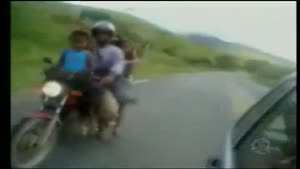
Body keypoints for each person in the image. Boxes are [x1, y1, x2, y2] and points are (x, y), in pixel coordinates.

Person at [91, 20, 135, 135]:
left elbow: (118, 64)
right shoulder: (90, 48)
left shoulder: (116, 51)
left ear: (110, 36)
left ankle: (111, 123)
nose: (102, 36)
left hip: (112, 79)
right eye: (99, 33)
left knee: (119, 100)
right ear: (95, 34)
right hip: (91, 77)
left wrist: (111, 75)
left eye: (105, 33)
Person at [57, 30, 100, 131]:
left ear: (86, 43)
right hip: (64, 78)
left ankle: (85, 116)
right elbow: (60, 64)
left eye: (81, 42)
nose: (78, 44)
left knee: (87, 97)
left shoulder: (88, 55)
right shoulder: (66, 52)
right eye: (75, 41)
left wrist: (83, 73)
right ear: (70, 41)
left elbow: (91, 68)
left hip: (80, 81)